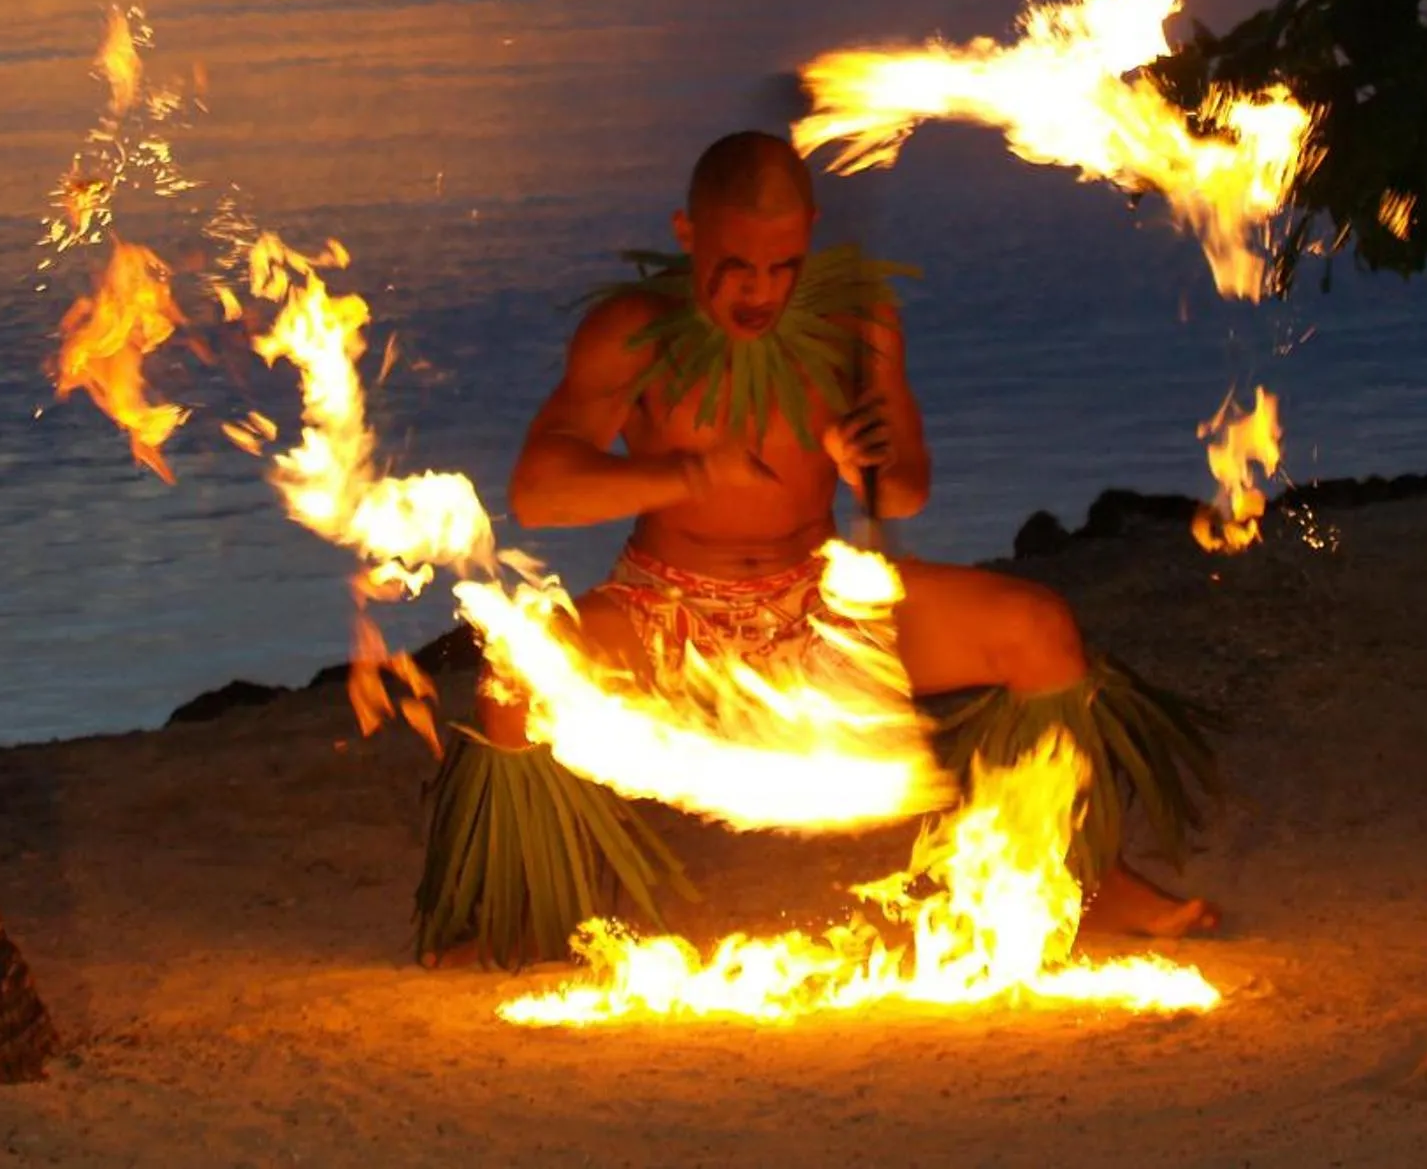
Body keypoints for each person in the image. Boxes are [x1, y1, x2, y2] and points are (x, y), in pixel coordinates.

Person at [415, 131, 1221, 967]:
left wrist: (858, 463)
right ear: (688, 233)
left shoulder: (853, 322)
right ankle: (518, 907)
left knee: (1038, 629)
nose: (761, 290)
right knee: (514, 678)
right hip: (667, 609)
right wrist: (687, 474)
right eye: (736, 266)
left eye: (784, 266)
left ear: (811, 232)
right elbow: (539, 492)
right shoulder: (634, 333)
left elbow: (904, 490)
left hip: (821, 607)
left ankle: (1085, 878)